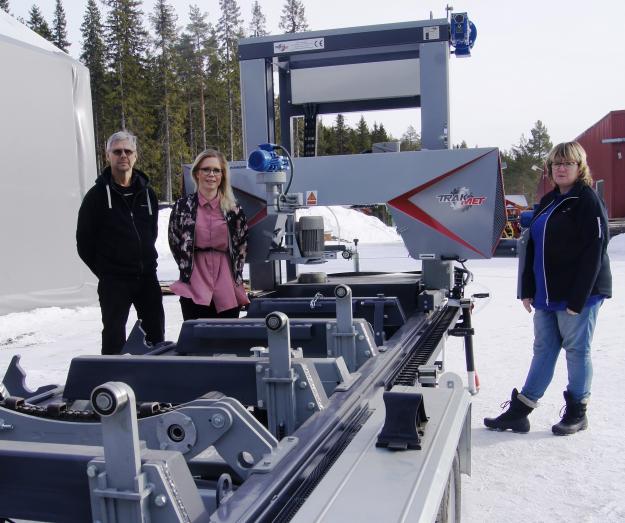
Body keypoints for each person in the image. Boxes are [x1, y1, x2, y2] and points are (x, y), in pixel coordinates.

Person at [484, 141, 611, 436]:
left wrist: (578, 299)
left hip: (578, 295)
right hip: (546, 294)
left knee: (577, 351)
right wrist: (527, 289)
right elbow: (532, 247)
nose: (561, 168)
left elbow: (595, 251)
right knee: (543, 349)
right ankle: (521, 411)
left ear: (580, 168)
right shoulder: (549, 201)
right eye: (556, 164)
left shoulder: (587, 201)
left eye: (567, 163)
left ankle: (577, 411)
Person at [77, 130, 164, 355]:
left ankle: (157, 379)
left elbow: (150, 232)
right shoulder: (96, 196)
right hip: (114, 282)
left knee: (155, 335)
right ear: (108, 156)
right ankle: (112, 380)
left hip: (147, 278)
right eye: (117, 151)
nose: (123, 155)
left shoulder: (148, 194)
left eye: (128, 151)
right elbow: (84, 242)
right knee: (114, 336)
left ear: (135, 156)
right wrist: (107, 271)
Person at [168, 149, 249, 320]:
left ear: (222, 175)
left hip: (226, 276)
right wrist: (186, 266)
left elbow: (241, 244)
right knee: (197, 335)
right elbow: (174, 240)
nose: (211, 174)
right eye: (206, 169)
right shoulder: (183, 206)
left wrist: (236, 275)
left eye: (216, 170)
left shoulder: (233, 209)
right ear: (197, 173)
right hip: (195, 275)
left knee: (227, 337)